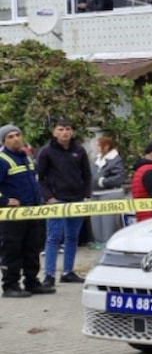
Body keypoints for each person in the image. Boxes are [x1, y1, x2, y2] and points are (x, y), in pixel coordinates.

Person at [1, 124, 56, 298]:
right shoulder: (2, 160)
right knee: (12, 250)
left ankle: (32, 282)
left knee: (32, 248)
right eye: (10, 136)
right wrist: (5, 201)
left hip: (32, 211)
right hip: (12, 216)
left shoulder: (26, 157)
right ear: (3, 141)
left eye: (17, 135)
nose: (15, 138)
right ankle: (10, 285)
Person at [36, 119, 94, 286]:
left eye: (68, 129)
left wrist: (86, 195)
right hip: (57, 200)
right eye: (61, 129)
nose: (65, 132)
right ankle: (49, 275)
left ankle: (68, 272)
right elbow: (40, 178)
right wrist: (49, 198)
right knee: (54, 237)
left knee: (72, 237)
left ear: (72, 132)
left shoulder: (79, 150)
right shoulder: (46, 152)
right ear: (54, 132)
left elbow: (87, 175)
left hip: (77, 199)